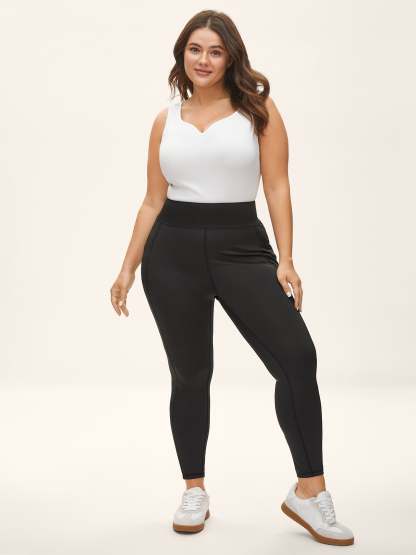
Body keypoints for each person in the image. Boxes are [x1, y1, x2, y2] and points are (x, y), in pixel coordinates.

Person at [110, 9, 354, 546]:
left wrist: (285, 259)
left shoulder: (258, 111)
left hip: (241, 247)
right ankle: (193, 489)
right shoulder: (165, 120)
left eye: (215, 51)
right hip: (171, 253)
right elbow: (152, 200)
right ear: (182, 55)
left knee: (297, 357)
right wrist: (128, 266)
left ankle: (309, 491)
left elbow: (277, 186)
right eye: (195, 49)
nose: (204, 60)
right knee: (190, 374)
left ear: (230, 58)